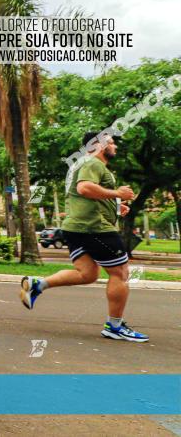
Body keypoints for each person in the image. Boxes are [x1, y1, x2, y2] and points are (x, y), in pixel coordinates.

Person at [20, 131, 148, 342]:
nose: (115, 146)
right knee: (121, 273)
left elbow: (84, 195)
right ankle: (114, 326)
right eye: (111, 143)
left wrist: (115, 206)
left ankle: (37, 285)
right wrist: (117, 194)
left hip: (75, 227)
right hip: (94, 228)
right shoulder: (93, 163)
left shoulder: (81, 164)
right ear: (98, 145)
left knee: (87, 274)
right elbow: (85, 188)